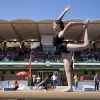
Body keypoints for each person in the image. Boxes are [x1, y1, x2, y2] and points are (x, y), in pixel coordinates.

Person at [52, 5, 90, 92]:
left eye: (54, 25)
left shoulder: (60, 33)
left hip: (64, 46)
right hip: (62, 50)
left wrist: (83, 23)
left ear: (58, 26)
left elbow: (70, 24)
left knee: (85, 45)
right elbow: (59, 20)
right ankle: (70, 87)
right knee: (66, 67)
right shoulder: (58, 30)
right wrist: (65, 11)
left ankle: (86, 28)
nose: (53, 26)